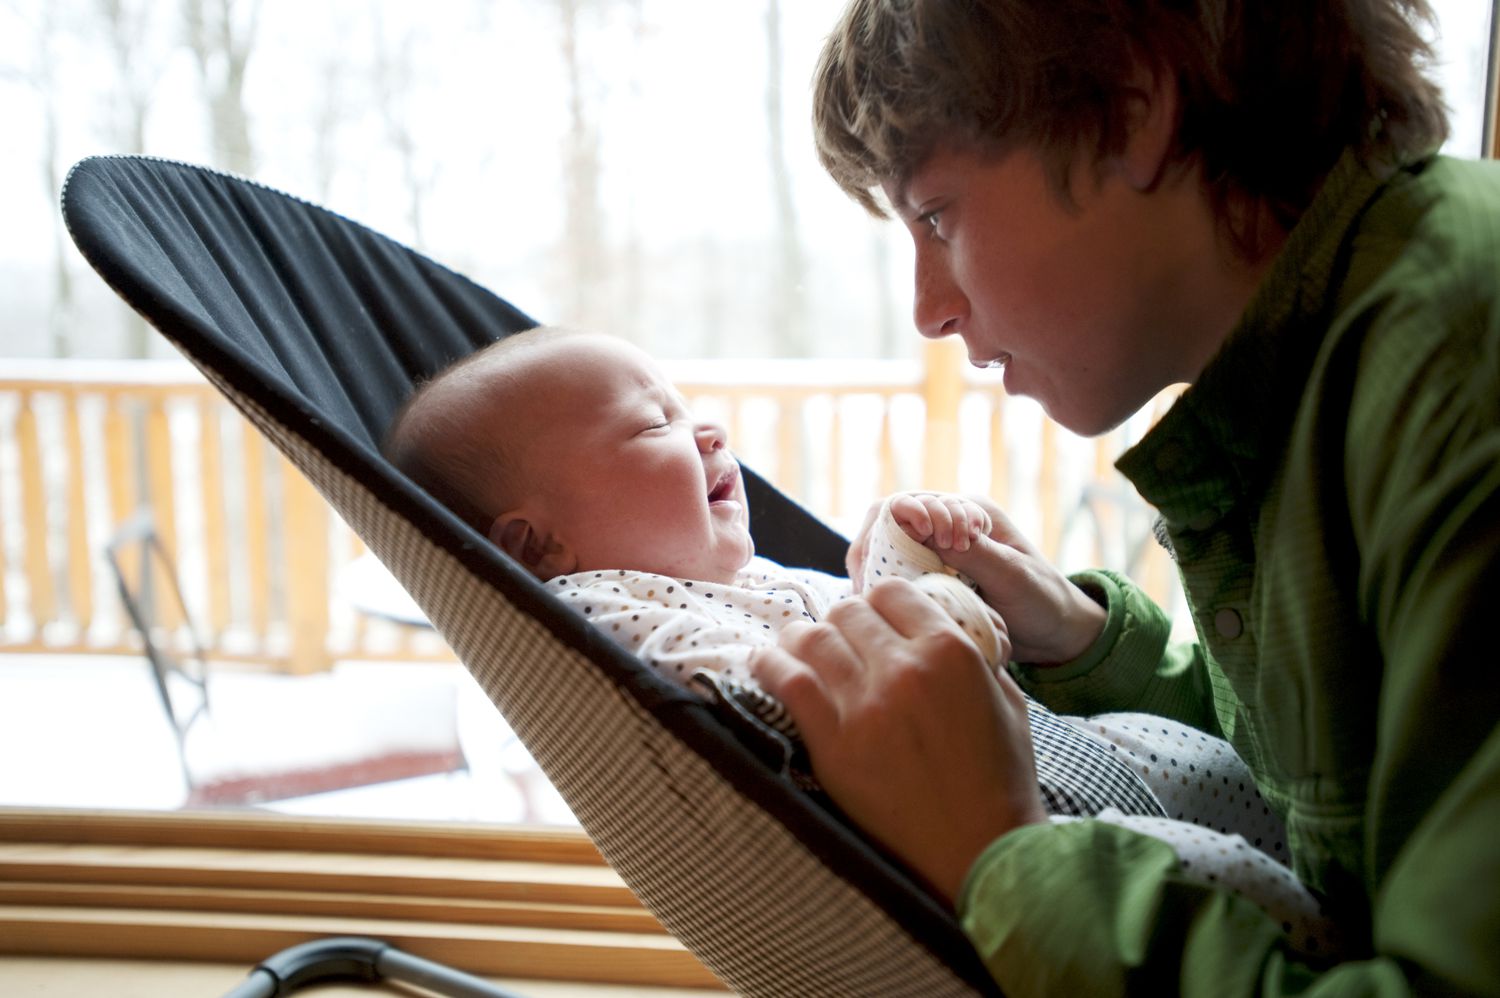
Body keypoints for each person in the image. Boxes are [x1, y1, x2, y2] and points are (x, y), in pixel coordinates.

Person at [749, 0, 1500, 993]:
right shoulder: (1331, 366)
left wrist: (997, 851)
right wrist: (1081, 638)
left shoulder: (1461, 363)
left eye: (936, 214)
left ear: (1127, 108)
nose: (929, 308)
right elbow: (1342, 771)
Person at [384, 325, 1336, 950]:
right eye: (653, 427)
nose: (708, 430)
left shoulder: (731, 577)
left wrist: (900, 551)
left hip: (1047, 753)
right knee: (1233, 882)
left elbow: (847, 612)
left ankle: (1326, 868)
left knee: (1214, 764)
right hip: (990, 812)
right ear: (531, 543)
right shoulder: (602, 612)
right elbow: (773, 695)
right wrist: (925, 616)